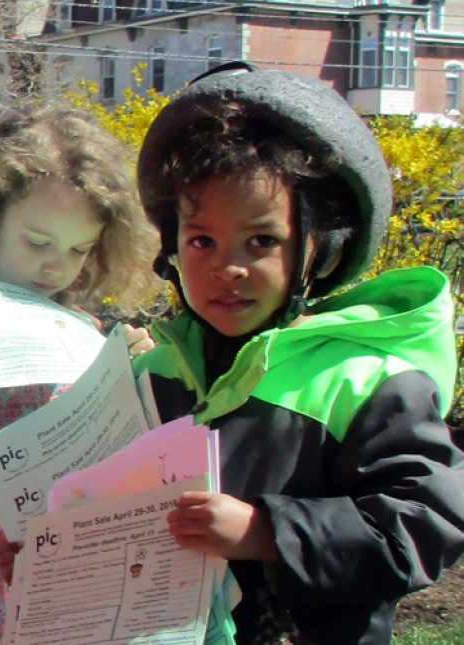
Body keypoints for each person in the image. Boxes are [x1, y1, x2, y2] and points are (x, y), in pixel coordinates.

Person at [132, 62, 464, 644]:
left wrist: (266, 532)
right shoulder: (153, 372)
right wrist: (53, 559)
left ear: (320, 247)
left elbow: (423, 526)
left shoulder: (368, 379)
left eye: (262, 240)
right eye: (201, 240)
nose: (228, 267)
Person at [0, 103, 160, 644]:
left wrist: (131, 376)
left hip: (66, 563)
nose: (55, 266)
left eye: (78, 250)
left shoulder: (84, 327)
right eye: (37, 242)